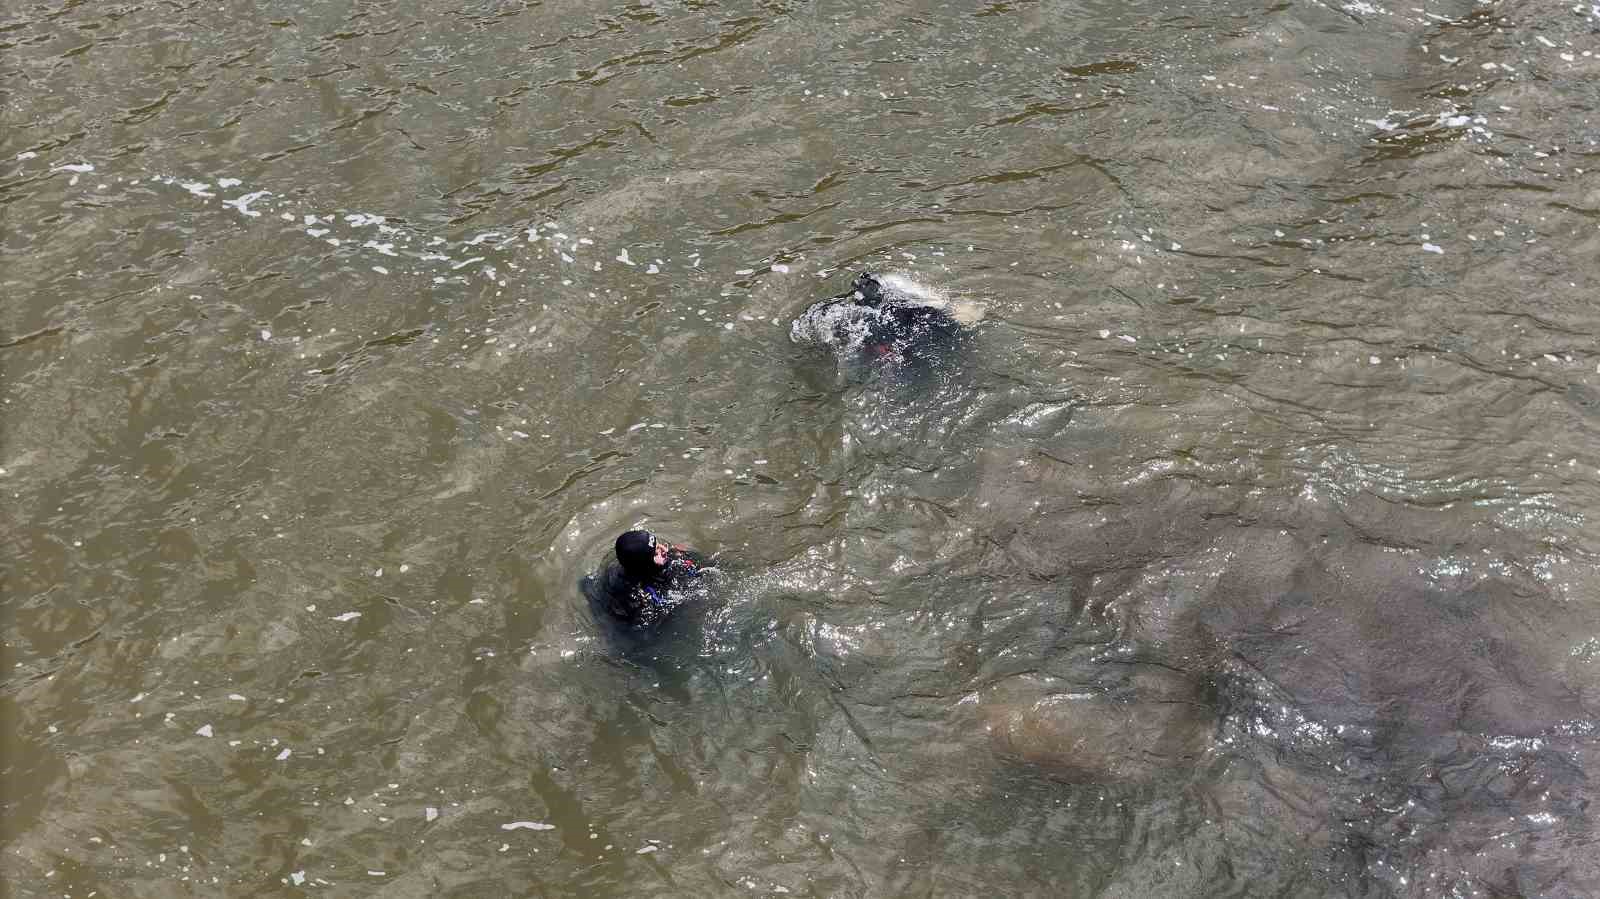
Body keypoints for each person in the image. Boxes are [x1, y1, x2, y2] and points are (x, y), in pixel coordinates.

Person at [594, 529, 708, 627]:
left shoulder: (633, 564)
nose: (664, 549)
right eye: (655, 553)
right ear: (644, 565)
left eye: (658, 544)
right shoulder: (639, 596)